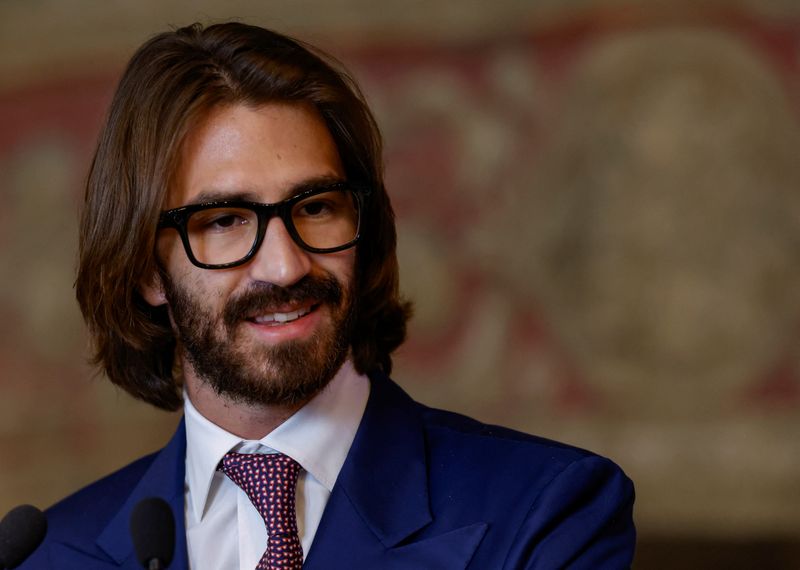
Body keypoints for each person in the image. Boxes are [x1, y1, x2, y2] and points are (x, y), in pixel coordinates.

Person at [22, 22, 635, 569]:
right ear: (146, 272)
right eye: (226, 221)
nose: (286, 266)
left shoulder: (545, 512)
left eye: (315, 208)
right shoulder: (50, 554)